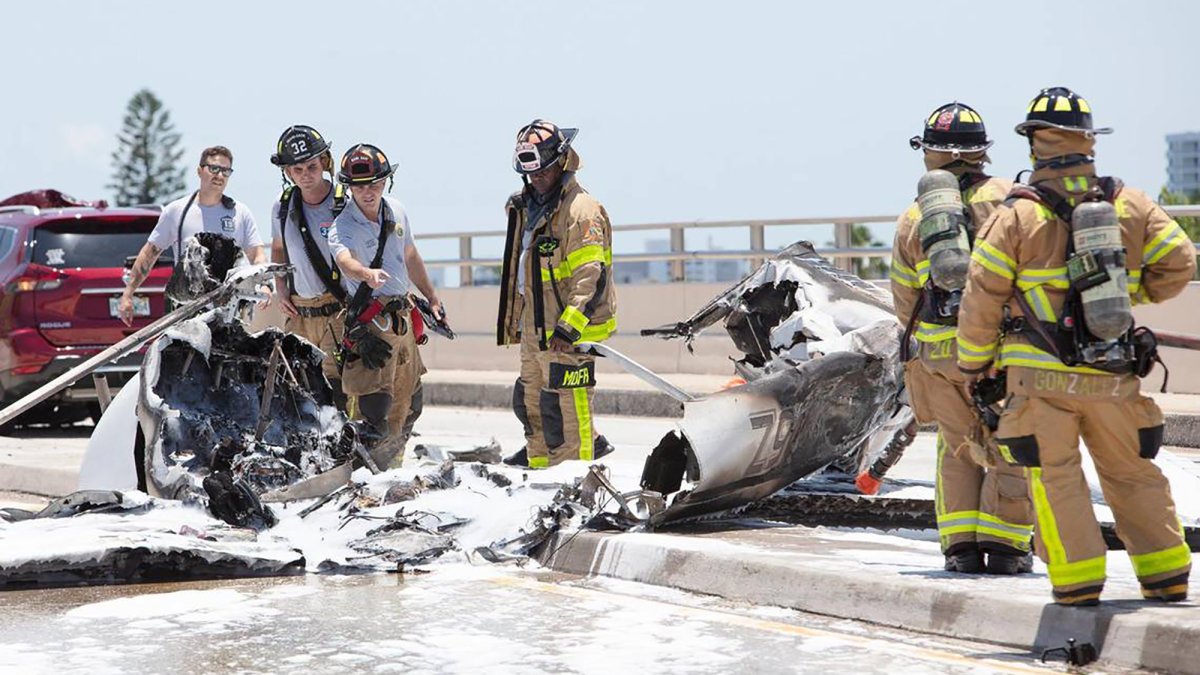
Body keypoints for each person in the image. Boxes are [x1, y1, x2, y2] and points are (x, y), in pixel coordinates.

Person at [956, 86, 1196, 605]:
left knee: (1056, 479)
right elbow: (1180, 264)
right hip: (1113, 373)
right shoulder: (1128, 203)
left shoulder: (1015, 216)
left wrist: (974, 363)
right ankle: (1166, 575)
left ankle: (1079, 584)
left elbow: (981, 297)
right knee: (1133, 472)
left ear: (1033, 146)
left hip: (1039, 382)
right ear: (1089, 142)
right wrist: (1129, 293)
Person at [891, 103, 1034, 575]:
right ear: (983, 153)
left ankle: (961, 550)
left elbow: (904, 302)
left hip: (939, 357)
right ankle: (1008, 548)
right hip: (1000, 351)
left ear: (929, 152)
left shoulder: (914, 219)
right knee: (1009, 443)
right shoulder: (1011, 201)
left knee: (957, 448)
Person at [497, 119, 617, 468]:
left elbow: (591, 274)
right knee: (531, 405)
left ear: (562, 162)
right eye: (531, 173)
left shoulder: (581, 211)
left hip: (566, 331)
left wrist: (570, 327)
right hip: (536, 327)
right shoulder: (528, 209)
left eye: (544, 171)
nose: (537, 178)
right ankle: (539, 479)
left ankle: (576, 479)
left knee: (564, 411)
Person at [327, 143, 440, 468]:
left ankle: (394, 471)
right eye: (359, 186)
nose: (368, 191)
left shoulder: (397, 210)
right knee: (372, 408)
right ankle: (362, 474)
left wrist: (431, 297)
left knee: (409, 401)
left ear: (386, 181)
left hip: (402, 316)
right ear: (348, 187)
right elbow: (345, 261)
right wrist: (366, 273)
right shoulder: (342, 225)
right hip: (371, 320)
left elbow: (410, 255)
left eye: (375, 183)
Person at [119, 145, 267, 326]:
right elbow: (150, 253)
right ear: (199, 171)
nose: (219, 175)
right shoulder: (177, 211)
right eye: (213, 168)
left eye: (226, 171)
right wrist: (128, 294)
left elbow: (257, 254)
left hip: (230, 309)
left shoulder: (240, 212)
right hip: (187, 310)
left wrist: (265, 285)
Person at [269, 124, 351, 410]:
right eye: (297, 170)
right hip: (300, 313)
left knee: (337, 388)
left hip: (337, 311)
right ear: (288, 173)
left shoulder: (344, 204)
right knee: (298, 387)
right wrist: (281, 289)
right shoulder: (282, 207)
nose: (305, 175)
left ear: (324, 163)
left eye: (311, 167)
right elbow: (278, 249)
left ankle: (344, 452)